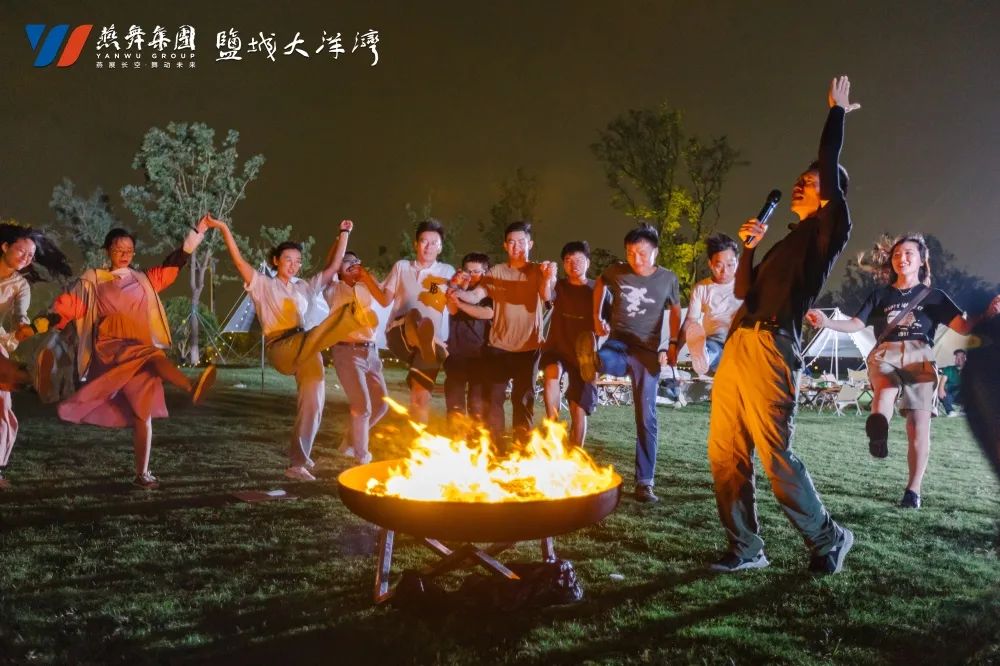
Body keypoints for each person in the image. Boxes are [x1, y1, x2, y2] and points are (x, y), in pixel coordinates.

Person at [706, 77, 859, 574]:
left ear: (829, 194)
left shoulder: (827, 232)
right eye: (799, 179)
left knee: (776, 456)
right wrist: (750, 249)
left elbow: (829, 164)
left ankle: (829, 538)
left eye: (809, 182)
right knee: (726, 453)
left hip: (773, 346)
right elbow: (743, 293)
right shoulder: (785, 243)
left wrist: (836, 112)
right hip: (739, 343)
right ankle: (746, 547)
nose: (799, 183)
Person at [807, 234, 1000, 509]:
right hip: (886, 350)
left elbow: (964, 327)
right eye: (897, 254)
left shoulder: (935, 297)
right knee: (885, 387)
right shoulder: (881, 295)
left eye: (909, 253)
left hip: (920, 355)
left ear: (922, 261)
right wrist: (826, 322)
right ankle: (879, 431)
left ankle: (913, 490)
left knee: (918, 425)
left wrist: (988, 314)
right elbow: (855, 324)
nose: (902, 258)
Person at [57, 221, 217, 489]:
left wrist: (197, 233)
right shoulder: (93, 280)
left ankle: (142, 474)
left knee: (143, 414)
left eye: (129, 250)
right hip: (113, 348)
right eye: (119, 249)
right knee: (153, 355)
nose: (125, 254)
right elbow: (70, 306)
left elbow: (173, 264)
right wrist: (44, 323)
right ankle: (190, 386)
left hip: (140, 350)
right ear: (107, 250)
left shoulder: (144, 279)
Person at [208, 216, 370, 481]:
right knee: (318, 332)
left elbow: (332, 268)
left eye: (298, 261)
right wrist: (224, 227)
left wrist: (344, 233)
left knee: (314, 402)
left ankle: (297, 463)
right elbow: (238, 261)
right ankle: (349, 318)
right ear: (276, 261)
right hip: (281, 346)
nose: (293, 265)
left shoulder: (304, 287)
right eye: (288, 260)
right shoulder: (263, 284)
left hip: (306, 346)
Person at [578, 224, 681, 503]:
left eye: (642, 253)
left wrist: (672, 343)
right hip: (619, 343)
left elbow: (675, 310)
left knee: (646, 416)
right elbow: (600, 283)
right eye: (631, 253)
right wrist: (597, 316)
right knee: (605, 359)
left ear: (655, 252)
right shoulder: (616, 271)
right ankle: (594, 360)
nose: (636, 259)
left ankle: (645, 482)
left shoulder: (667, 278)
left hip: (647, 352)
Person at [455, 222, 556, 444]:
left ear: (530, 244)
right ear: (505, 245)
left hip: (528, 348)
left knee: (523, 400)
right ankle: (495, 447)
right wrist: (456, 294)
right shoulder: (496, 271)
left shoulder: (540, 271)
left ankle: (521, 447)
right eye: (511, 242)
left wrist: (548, 277)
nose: (516, 246)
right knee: (494, 400)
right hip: (498, 347)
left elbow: (547, 295)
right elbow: (475, 296)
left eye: (521, 242)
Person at [0, 224, 72, 490]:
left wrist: (26, 327)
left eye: (31, 255)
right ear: (5, 247)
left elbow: (20, 317)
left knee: (2, 408)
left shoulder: (20, 286)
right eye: (22, 251)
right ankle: (23, 375)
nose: (26, 258)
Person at [367, 220, 455, 424]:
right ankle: (427, 342)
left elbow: (453, 308)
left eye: (434, 243)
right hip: (400, 335)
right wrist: (366, 278)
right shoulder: (402, 267)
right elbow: (384, 300)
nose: (429, 247)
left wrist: (460, 288)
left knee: (420, 396)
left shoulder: (447, 272)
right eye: (424, 241)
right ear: (416, 244)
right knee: (414, 315)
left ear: (440, 247)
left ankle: (417, 436)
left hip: (432, 346)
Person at [324, 250, 389, 465]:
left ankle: (350, 440)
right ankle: (361, 457)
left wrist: (366, 277)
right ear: (338, 268)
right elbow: (330, 264)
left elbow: (384, 298)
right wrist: (343, 235)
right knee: (362, 407)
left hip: (371, 351)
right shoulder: (334, 289)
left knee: (382, 404)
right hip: (347, 351)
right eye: (347, 262)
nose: (353, 264)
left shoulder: (366, 286)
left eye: (356, 261)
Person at [540, 241, 598, 447]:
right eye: (568, 260)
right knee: (551, 373)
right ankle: (553, 427)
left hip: (584, 355)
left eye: (579, 260)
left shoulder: (597, 289)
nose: (574, 264)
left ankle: (576, 452)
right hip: (558, 347)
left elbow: (609, 321)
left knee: (578, 407)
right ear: (563, 264)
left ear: (588, 262)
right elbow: (547, 296)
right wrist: (547, 277)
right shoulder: (559, 286)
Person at [677, 233, 742, 376]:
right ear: (710, 264)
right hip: (716, 340)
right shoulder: (701, 288)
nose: (725, 271)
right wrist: (675, 350)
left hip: (741, 341)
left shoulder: (745, 285)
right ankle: (704, 356)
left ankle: (706, 357)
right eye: (719, 265)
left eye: (730, 265)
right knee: (712, 348)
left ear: (737, 263)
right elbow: (691, 320)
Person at [443, 252, 493, 431]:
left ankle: (476, 442)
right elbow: (451, 310)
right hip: (456, 353)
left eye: (476, 272)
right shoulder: (456, 287)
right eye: (468, 271)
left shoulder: (489, 292)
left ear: (485, 273)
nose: (471, 276)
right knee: (454, 405)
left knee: (477, 404)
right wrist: (455, 287)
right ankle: (455, 441)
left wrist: (461, 302)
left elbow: (488, 313)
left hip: (480, 354)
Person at [939, 349, 966, 416]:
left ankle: (964, 410)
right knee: (944, 391)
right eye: (957, 357)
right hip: (950, 393)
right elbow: (943, 381)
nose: (959, 360)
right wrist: (940, 389)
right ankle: (950, 411)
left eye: (962, 358)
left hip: (963, 394)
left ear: (965, 359)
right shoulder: (949, 369)